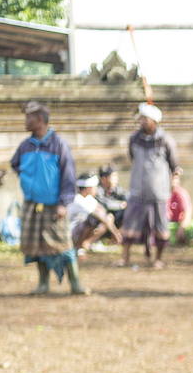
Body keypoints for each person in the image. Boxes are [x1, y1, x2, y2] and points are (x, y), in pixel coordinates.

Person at [10, 101, 87, 296]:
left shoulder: (58, 145)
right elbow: (15, 164)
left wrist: (64, 202)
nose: (26, 121)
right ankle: (43, 283)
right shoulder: (25, 146)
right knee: (36, 246)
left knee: (61, 243)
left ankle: (75, 283)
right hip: (32, 203)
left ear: (40, 120)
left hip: (54, 205)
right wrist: (29, 181)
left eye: (29, 118)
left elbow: (68, 175)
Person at [121, 103, 180, 268]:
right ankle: (125, 257)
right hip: (137, 190)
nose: (142, 122)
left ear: (154, 121)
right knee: (129, 224)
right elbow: (132, 157)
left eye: (145, 119)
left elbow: (174, 165)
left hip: (158, 192)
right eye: (141, 119)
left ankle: (158, 258)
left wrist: (175, 181)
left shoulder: (165, 140)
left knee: (160, 225)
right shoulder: (134, 139)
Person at [69, 174, 122, 253]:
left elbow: (102, 211)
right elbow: (99, 216)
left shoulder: (89, 198)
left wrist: (115, 232)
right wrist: (115, 234)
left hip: (78, 231)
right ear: (89, 188)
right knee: (96, 219)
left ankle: (85, 244)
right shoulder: (77, 199)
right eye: (95, 187)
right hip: (70, 233)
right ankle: (81, 245)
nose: (96, 189)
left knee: (108, 217)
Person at [167, 171, 193, 246]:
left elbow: (188, 212)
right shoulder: (164, 193)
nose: (173, 181)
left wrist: (182, 228)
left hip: (178, 224)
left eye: (175, 178)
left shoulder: (181, 194)